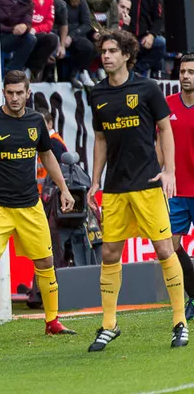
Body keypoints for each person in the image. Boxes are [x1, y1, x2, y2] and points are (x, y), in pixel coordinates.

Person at [0, 70, 77, 341]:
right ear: (3, 92)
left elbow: (47, 155)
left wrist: (64, 189)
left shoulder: (36, 121)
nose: (14, 97)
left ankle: (52, 321)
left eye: (19, 93)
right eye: (9, 93)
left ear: (27, 92)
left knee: (46, 261)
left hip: (29, 206)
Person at [87, 30, 187, 352]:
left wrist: (169, 171)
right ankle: (108, 325)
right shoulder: (97, 93)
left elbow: (165, 129)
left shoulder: (147, 88)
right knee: (109, 253)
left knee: (164, 249)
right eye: (103, 51)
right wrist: (94, 181)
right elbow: (100, 139)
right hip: (115, 188)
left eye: (113, 50)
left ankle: (179, 322)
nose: (107, 56)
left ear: (127, 55)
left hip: (147, 183)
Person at [164, 55, 194, 321]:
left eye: (191, 72)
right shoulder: (168, 105)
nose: (185, 76)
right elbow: (159, 142)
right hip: (176, 189)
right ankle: (193, 295)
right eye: (183, 71)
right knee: (171, 247)